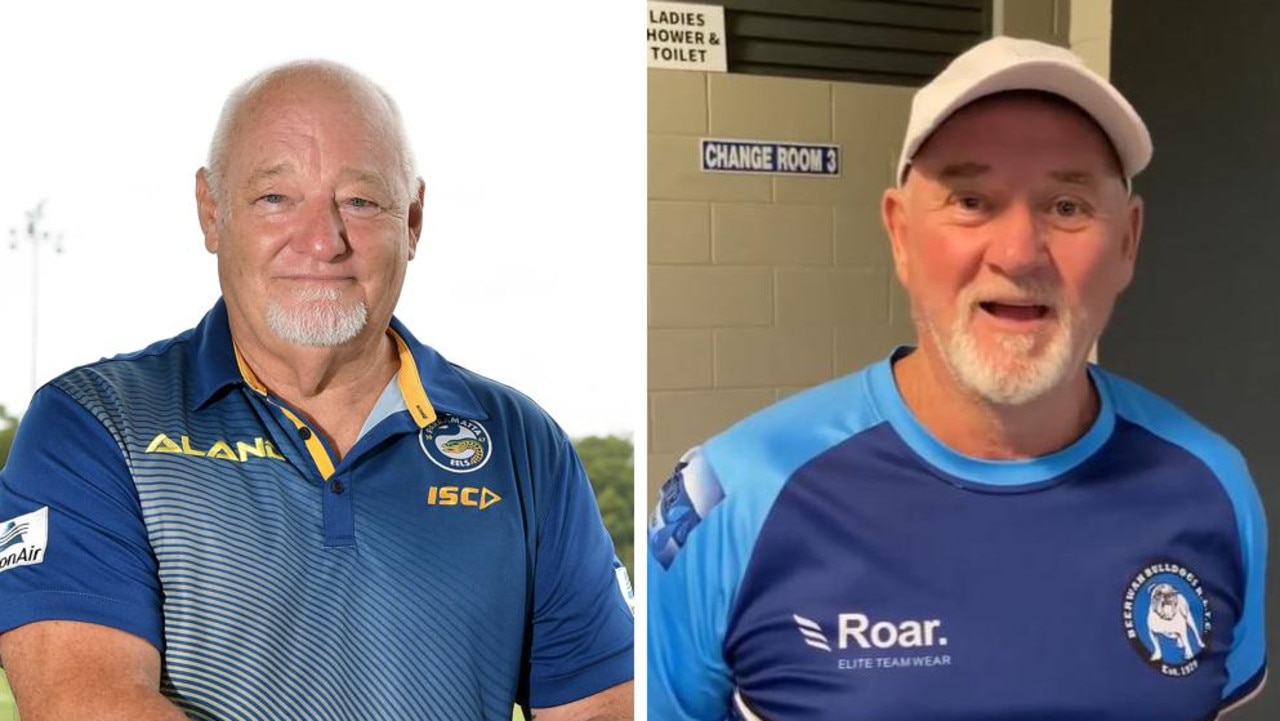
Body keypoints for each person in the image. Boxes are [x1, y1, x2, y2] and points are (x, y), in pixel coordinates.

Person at [648, 36, 1267, 720]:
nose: (1018, 253)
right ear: (900, 234)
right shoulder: (739, 492)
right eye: (971, 200)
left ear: (1127, 242)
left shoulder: (1212, 485)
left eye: (1067, 206)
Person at [0, 60, 633, 720]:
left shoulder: (524, 445)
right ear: (211, 212)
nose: (322, 241)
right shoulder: (95, 424)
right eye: (276, 198)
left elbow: (603, 706)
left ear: (412, 220)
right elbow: (87, 702)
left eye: (360, 202)